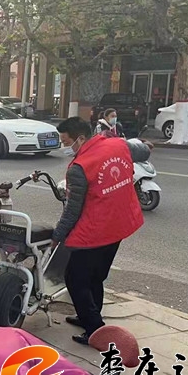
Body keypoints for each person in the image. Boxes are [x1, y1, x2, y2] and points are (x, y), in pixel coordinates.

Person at [52, 117, 146, 346]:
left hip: (96, 230)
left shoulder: (80, 167)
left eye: (67, 142)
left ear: (80, 138)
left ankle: (95, 329)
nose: (65, 147)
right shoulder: (118, 144)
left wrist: (58, 235)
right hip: (120, 224)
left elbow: (73, 210)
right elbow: (143, 150)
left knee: (75, 278)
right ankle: (90, 314)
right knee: (96, 276)